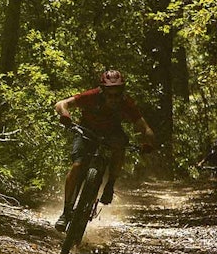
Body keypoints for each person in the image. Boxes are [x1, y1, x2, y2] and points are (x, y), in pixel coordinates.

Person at [53, 69, 157, 231]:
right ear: (102, 91)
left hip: (111, 133)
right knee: (78, 165)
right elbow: (62, 103)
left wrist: (148, 142)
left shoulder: (126, 103)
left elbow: (144, 127)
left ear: (122, 92)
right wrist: (65, 115)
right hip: (86, 131)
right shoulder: (91, 96)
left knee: (120, 146)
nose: (113, 98)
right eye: (109, 94)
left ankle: (110, 185)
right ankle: (66, 212)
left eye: (117, 94)